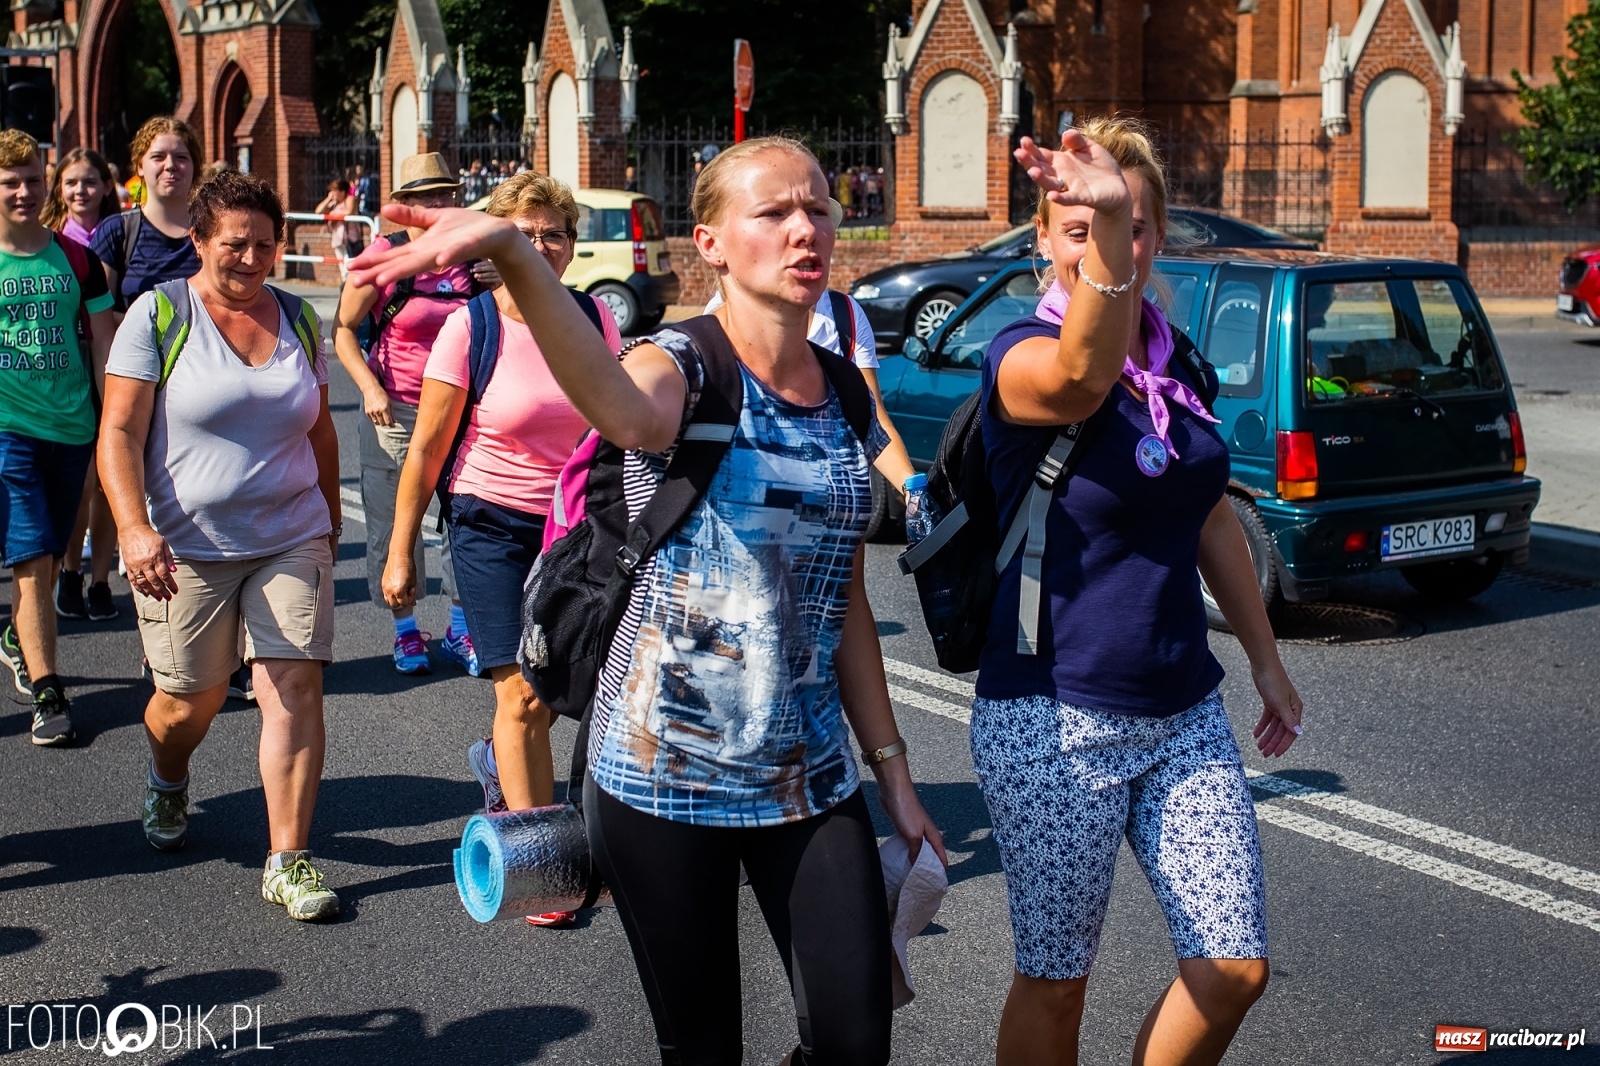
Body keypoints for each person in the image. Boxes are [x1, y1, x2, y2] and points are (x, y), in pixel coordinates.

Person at [349, 134, 946, 1066]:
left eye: (820, 208)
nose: (806, 229)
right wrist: (511, 250)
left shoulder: (839, 387)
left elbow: (847, 603)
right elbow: (622, 412)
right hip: (662, 782)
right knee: (702, 1049)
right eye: (775, 212)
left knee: (854, 1040)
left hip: (809, 778)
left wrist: (895, 775)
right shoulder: (680, 363)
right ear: (708, 243)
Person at [971, 117, 1305, 1065]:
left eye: (1130, 226)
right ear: (1043, 238)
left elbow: (1204, 518)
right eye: (1080, 227)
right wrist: (1104, 229)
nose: (1108, 244)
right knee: (1057, 980)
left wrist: (1267, 663)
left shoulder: (1177, 367)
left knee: (1232, 970)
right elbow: (1080, 377)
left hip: (1183, 711)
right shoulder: (1019, 356)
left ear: (1157, 237)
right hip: (1053, 716)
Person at [99, 168, 343, 921]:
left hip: (289, 534)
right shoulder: (160, 314)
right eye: (236, 244)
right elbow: (119, 431)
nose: (252, 258)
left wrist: (330, 526)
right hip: (186, 547)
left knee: (293, 687)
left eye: (266, 245)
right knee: (187, 704)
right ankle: (169, 779)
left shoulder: (300, 319)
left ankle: (289, 860)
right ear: (200, 241)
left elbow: (322, 430)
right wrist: (134, 528)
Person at [381, 171, 620, 928]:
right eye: (525, 232)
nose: (541, 246)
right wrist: (401, 552)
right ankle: (541, 865)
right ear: (496, 242)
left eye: (555, 233)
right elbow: (425, 452)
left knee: (562, 690)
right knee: (518, 695)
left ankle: (498, 765)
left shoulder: (592, 320)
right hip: (491, 525)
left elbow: (616, 429)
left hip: (574, 529)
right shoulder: (472, 327)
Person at [332, 152, 492, 676]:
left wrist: (501, 278)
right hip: (395, 411)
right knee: (391, 525)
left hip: (463, 412)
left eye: (445, 194)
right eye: (425, 197)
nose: (437, 205)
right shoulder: (382, 256)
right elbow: (343, 331)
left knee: (464, 523)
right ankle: (405, 631)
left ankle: (460, 627)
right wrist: (369, 387)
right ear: (403, 207)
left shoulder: (474, 255)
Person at [0, 129, 117, 747]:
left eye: (31, 180)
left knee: (51, 554)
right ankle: (48, 693)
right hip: (9, 432)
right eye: (10, 182)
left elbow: (101, 343)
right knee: (34, 554)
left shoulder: (77, 261)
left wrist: (112, 425)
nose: (23, 191)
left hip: (73, 428)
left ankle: (17, 636)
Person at [703, 267, 916, 496]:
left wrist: (914, 493)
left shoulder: (845, 314)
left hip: (840, 510)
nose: (807, 240)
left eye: (821, 232)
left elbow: (875, 423)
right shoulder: (722, 319)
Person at [41, 147, 123, 623]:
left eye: (89, 181)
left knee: (109, 485)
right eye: (71, 182)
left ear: (105, 186)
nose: (80, 191)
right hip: (67, 372)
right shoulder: (50, 241)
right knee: (82, 482)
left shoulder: (112, 236)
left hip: (105, 361)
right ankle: (71, 571)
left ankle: (100, 580)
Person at [90, 116, 202, 319]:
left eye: (181, 158)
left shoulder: (212, 229)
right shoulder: (117, 232)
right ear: (140, 166)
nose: (170, 165)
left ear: (195, 166)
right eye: (158, 157)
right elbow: (100, 318)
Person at [314, 178, 356, 279]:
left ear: (342, 191)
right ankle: (345, 288)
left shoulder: (350, 199)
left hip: (350, 240)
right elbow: (318, 211)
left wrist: (335, 217)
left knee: (350, 268)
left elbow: (349, 212)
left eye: (335, 191)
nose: (332, 193)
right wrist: (328, 199)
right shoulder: (333, 203)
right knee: (343, 270)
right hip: (338, 240)